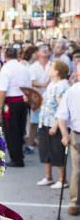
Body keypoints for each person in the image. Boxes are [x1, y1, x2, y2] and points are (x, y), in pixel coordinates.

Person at [36, 60, 70, 190]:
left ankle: (62, 179)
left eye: (52, 67)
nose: (49, 69)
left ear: (57, 71)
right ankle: (48, 177)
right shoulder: (52, 84)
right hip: (44, 121)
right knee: (45, 150)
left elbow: (62, 107)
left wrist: (56, 125)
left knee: (57, 151)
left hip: (54, 123)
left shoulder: (62, 86)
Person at [0, 46, 31, 167]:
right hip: (22, 101)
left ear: (5, 57)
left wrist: (0, 107)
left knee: (11, 131)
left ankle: (16, 158)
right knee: (20, 130)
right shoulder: (24, 68)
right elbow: (28, 87)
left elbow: (2, 90)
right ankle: (19, 155)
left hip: (11, 102)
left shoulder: (5, 69)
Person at [57, 60, 80, 216]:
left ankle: (74, 203)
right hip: (77, 135)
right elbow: (62, 117)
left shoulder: (72, 91)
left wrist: (65, 135)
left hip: (76, 135)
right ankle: (74, 203)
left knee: (77, 170)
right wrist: (65, 135)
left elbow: (61, 117)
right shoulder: (72, 91)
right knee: (77, 171)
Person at [27, 45, 51, 152]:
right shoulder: (33, 67)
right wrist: (44, 84)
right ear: (38, 54)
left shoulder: (52, 65)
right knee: (34, 122)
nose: (45, 51)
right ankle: (31, 145)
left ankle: (47, 144)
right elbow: (32, 82)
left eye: (47, 50)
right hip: (36, 97)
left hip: (50, 98)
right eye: (43, 50)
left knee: (49, 122)